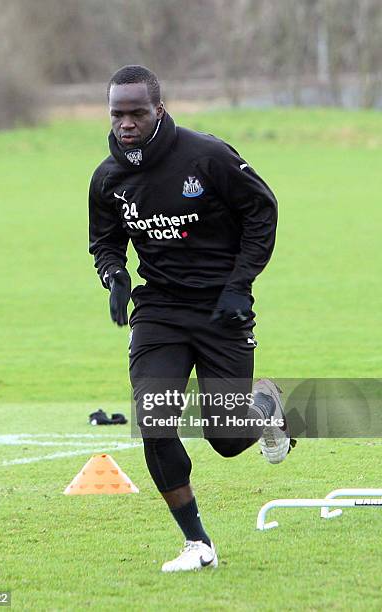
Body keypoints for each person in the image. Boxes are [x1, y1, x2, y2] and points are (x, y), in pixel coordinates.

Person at [89, 65, 293, 572]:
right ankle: (198, 544)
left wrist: (239, 285)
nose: (126, 123)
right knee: (155, 421)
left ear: (158, 109)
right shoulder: (108, 177)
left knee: (225, 438)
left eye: (137, 112)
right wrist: (114, 276)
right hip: (158, 309)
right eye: (118, 113)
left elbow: (261, 211)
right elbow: (106, 239)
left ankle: (265, 407)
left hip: (222, 306)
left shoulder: (207, 156)